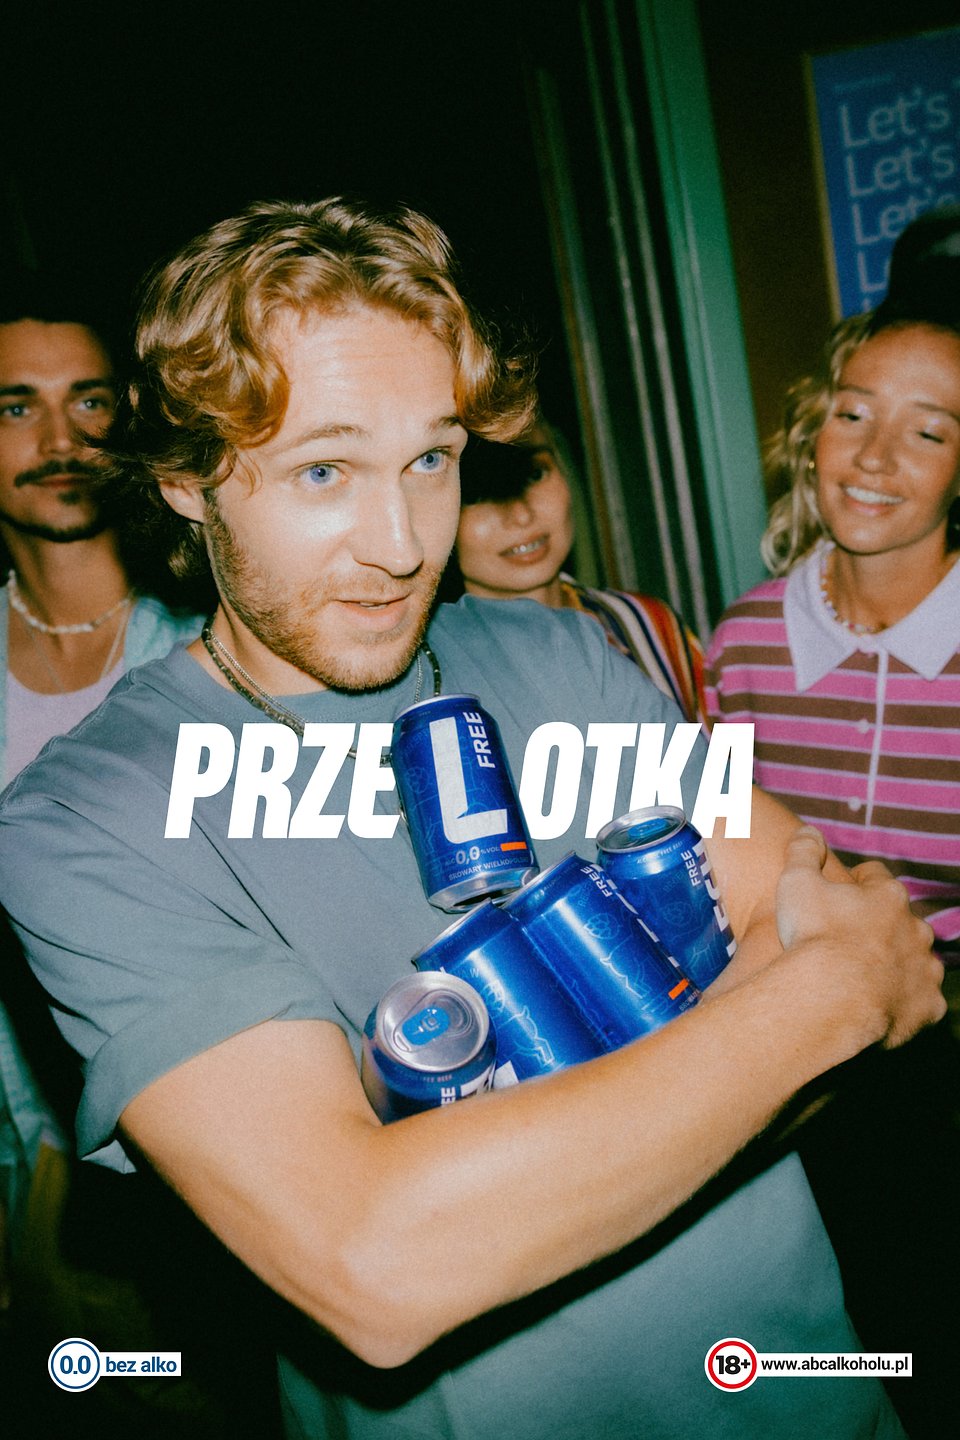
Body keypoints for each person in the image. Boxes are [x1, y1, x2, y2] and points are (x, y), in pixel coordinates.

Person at [0, 198, 943, 1440]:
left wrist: (493, 1186)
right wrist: (817, 999)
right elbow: (377, 1265)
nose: (401, 546)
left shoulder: (568, 656)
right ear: (184, 476)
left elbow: (894, 976)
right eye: (325, 470)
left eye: (432, 460)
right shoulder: (83, 819)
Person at [704, 298, 960, 1437]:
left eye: (929, 430)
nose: (875, 456)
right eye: (854, 414)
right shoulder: (745, 640)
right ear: (813, 431)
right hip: (796, 1058)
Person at [453, 430, 709, 724]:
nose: (522, 515)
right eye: (476, 495)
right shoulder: (433, 675)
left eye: (535, 474)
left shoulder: (647, 622)